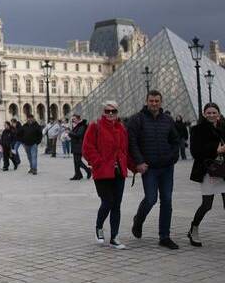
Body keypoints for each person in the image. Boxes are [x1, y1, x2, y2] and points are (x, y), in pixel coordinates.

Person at [129, 90, 181, 249]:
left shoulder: (168, 119)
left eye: (157, 101)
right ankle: (138, 220)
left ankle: (164, 236)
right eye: (151, 101)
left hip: (166, 167)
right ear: (146, 101)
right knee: (151, 199)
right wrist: (139, 162)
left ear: (161, 102)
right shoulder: (137, 119)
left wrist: (173, 157)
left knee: (167, 200)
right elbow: (132, 142)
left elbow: (175, 140)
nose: (154, 103)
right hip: (149, 167)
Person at [82, 101, 129, 249]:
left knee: (117, 205)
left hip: (119, 172)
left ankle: (115, 237)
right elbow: (87, 148)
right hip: (102, 172)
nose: (110, 114)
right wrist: (99, 162)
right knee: (107, 201)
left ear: (117, 112)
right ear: (103, 112)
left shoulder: (121, 128)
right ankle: (99, 227)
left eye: (113, 111)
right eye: (107, 111)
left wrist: (134, 166)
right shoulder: (95, 126)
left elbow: (124, 149)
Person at [187, 102, 225, 247]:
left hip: (223, 171)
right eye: (208, 113)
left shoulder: (223, 127)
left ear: (219, 114)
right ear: (204, 114)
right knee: (207, 205)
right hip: (208, 171)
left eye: (214, 112)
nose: (211, 115)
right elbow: (196, 152)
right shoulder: (197, 130)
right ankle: (193, 228)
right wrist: (217, 150)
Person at [68, 114, 92, 180]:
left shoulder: (82, 125)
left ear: (78, 119)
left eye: (74, 119)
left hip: (79, 146)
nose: (73, 121)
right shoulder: (77, 125)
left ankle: (88, 170)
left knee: (78, 161)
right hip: (75, 145)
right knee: (75, 161)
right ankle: (78, 174)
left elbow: (79, 135)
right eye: (72, 119)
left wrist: (70, 133)